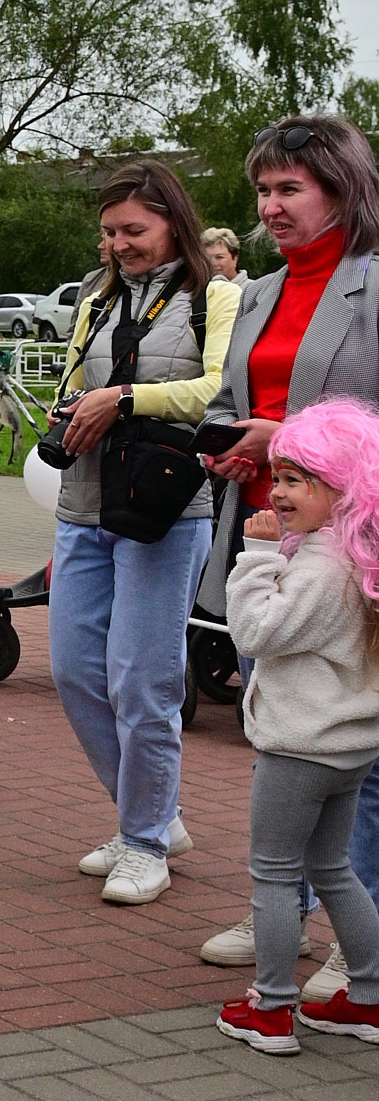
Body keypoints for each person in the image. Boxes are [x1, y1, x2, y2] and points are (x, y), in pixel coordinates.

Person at [196, 115, 379, 972]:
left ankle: (356, 943)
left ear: (340, 188)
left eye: (289, 189)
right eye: (263, 190)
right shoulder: (261, 292)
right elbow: (251, 407)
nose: (270, 205)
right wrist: (243, 449)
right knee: (281, 733)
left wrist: (289, 439)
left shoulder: (373, 285)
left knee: (356, 753)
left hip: (357, 553)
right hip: (274, 537)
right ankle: (285, 905)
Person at [44, 160, 240, 903]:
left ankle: (146, 841)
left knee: (142, 681)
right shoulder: (95, 300)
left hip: (165, 511)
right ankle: (151, 814)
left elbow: (216, 391)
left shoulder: (214, 298)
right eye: (110, 232)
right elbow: (72, 384)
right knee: (74, 671)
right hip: (84, 504)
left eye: (135, 230)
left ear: (173, 224)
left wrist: (123, 398)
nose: (120, 245)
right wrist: (73, 412)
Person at [214, 401, 379, 1053]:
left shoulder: (317, 567)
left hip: (299, 748)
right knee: (333, 868)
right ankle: (367, 998)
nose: (276, 493)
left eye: (296, 480)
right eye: (276, 478)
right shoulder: (358, 556)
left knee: (277, 875)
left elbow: (255, 632)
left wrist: (255, 557)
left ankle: (273, 1007)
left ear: (343, 486)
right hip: (350, 748)